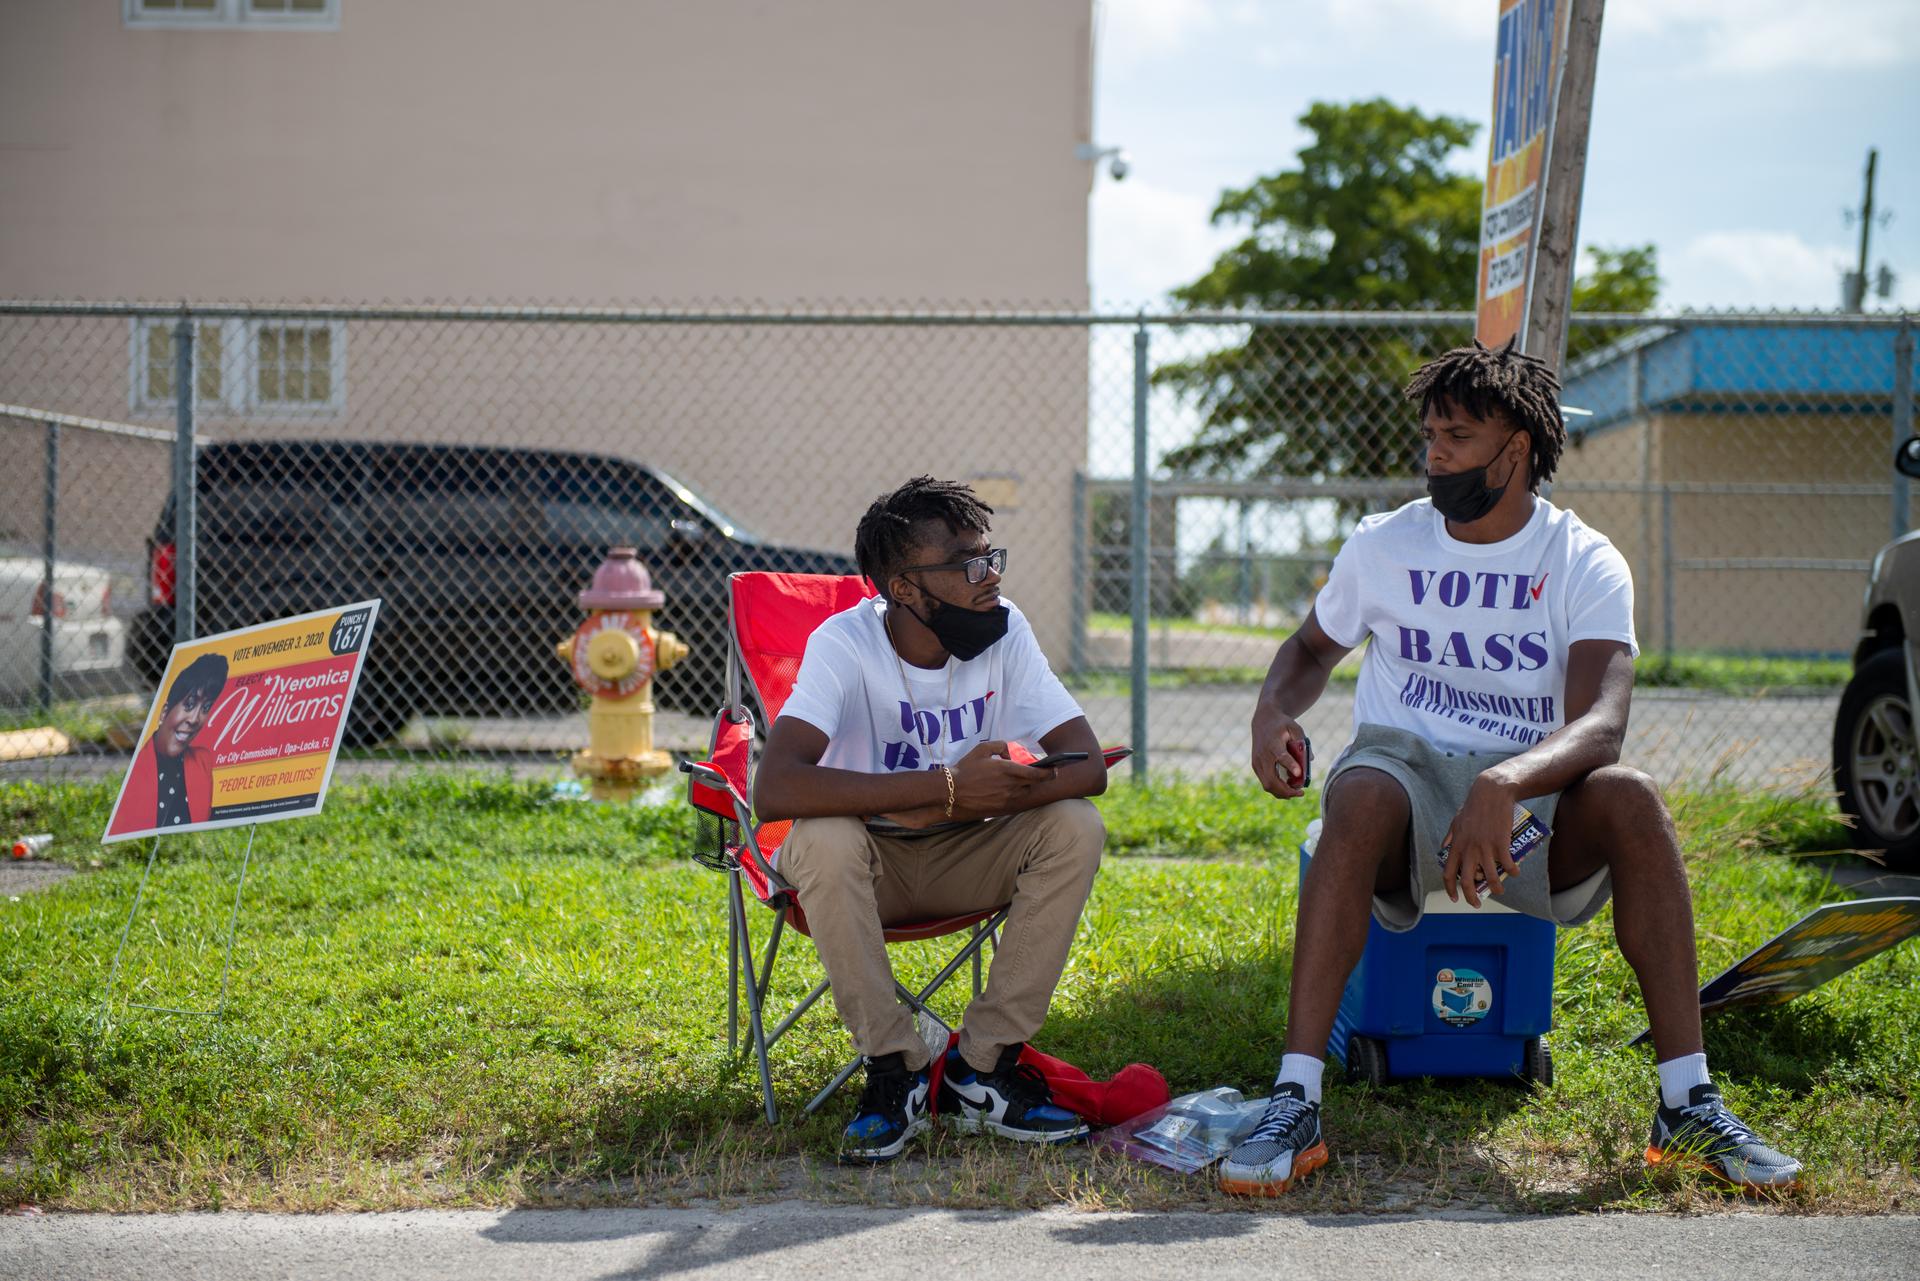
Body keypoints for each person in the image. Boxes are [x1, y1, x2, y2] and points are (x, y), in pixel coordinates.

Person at [1218, 338, 1803, 1196]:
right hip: (1406, 780)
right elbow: (1309, 648)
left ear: (1516, 449)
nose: (1435, 453)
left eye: (1456, 435)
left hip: (1528, 803)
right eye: (1430, 433)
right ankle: (1295, 1099)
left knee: (1633, 798)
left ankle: (1689, 1103)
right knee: (1360, 792)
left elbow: (1602, 723)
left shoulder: (1582, 558)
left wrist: (1506, 782)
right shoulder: (1384, 545)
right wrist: (1274, 710)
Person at [755, 476, 1109, 1163]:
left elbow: (1087, 763)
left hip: (965, 855)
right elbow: (777, 785)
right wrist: (944, 787)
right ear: (905, 587)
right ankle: (895, 1072)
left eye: (992, 556)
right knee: (824, 838)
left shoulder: (1006, 630)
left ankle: (982, 1070)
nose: (991, 577)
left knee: (1076, 823)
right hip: (866, 863)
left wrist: (988, 794)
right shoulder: (845, 643)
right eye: (969, 563)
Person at [115, 652, 229, 835]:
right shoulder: (137, 768)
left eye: (205, 708)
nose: (195, 719)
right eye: (189, 704)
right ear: (164, 712)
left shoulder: (202, 762)